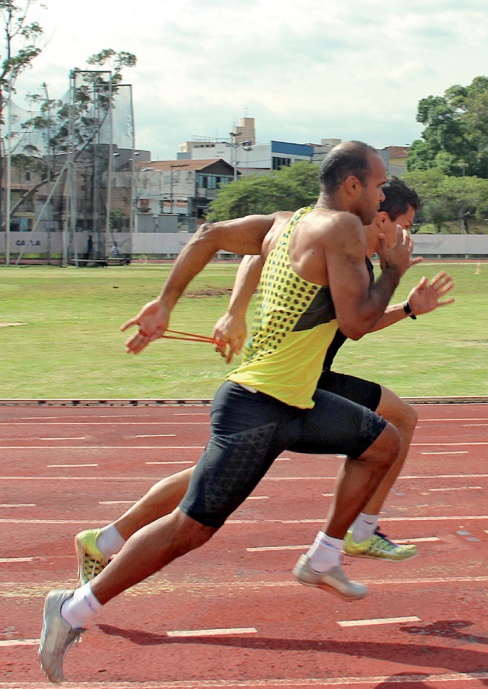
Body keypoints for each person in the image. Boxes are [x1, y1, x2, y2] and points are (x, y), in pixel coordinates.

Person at [40, 141, 414, 683]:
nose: (382, 196)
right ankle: (71, 608)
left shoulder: (284, 223)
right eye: (378, 185)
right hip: (259, 407)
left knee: (383, 442)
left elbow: (209, 234)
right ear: (352, 185)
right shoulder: (341, 229)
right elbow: (357, 323)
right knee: (189, 530)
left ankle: (325, 556)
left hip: (296, 401)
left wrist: (166, 302)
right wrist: (394, 271)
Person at [72, 178, 453, 585]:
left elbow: (356, 321)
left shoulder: (356, 256)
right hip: (284, 378)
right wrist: (234, 312)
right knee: (393, 424)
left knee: (395, 422)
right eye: (406, 225)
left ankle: (106, 539)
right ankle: (358, 533)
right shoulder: (326, 239)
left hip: (306, 376)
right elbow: (260, 251)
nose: (410, 237)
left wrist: (407, 307)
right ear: (381, 218)